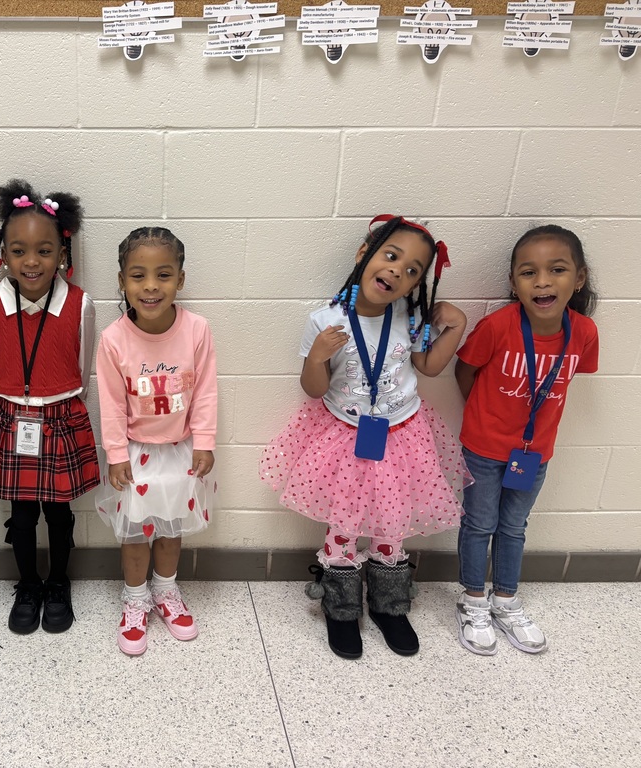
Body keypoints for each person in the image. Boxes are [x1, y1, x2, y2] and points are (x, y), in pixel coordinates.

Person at [259, 215, 470, 659]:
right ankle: (340, 608)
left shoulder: (409, 315)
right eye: (391, 256)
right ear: (364, 255)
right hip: (345, 437)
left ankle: (390, 605)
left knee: (392, 526)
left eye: (413, 270)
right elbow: (313, 389)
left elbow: (428, 367)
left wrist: (457, 327)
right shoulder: (325, 319)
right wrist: (317, 357)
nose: (398, 271)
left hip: (402, 437)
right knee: (344, 526)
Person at [455, 225, 599, 655]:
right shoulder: (497, 326)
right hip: (483, 450)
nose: (542, 281)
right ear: (514, 282)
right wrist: (483, 417)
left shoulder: (584, 333)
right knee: (480, 524)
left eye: (556, 270)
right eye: (527, 272)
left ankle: (505, 600)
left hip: (533, 455)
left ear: (579, 278)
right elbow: (465, 371)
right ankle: (472, 600)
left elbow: (570, 380)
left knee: (514, 527)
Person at [0, 180, 99, 635]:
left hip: (62, 412)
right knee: (23, 512)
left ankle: (58, 582)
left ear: (62, 254)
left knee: (60, 511)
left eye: (44, 250)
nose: (32, 262)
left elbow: (82, 367)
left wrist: (58, 400)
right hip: (13, 415)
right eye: (19, 250)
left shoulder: (80, 302)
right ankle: (27, 583)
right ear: (2, 252)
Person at [94, 227, 217, 656]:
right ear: (123, 281)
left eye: (163, 275)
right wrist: (114, 453)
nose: (150, 286)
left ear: (180, 280)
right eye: (138, 276)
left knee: (170, 530)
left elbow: (205, 391)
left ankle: (165, 592)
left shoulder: (197, 329)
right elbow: (110, 404)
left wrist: (205, 440)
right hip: (134, 455)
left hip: (181, 451)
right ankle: (134, 600)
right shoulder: (112, 339)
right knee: (134, 534)